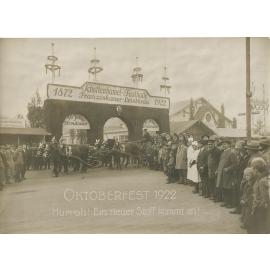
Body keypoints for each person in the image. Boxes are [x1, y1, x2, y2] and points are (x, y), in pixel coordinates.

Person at [247, 158, 269, 233]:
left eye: (252, 168)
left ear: (256, 169)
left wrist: (255, 209)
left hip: (260, 211)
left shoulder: (262, 181)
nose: (251, 170)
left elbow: (265, 200)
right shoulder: (260, 178)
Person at [216, 139, 237, 208]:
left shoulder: (231, 153)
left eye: (225, 144)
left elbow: (234, 164)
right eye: (223, 144)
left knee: (228, 188)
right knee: (224, 188)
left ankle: (230, 204)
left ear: (229, 145)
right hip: (222, 174)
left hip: (228, 175)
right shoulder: (223, 152)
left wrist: (228, 169)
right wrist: (217, 170)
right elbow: (220, 163)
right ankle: (226, 202)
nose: (224, 145)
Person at [230, 140, 249, 214]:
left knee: (241, 194)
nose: (236, 150)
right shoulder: (239, 156)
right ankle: (238, 208)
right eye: (236, 149)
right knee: (237, 193)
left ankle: (241, 210)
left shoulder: (246, 157)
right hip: (237, 177)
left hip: (242, 178)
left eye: (238, 149)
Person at [207, 136, 221, 201]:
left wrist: (217, 170)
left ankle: (217, 197)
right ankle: (212, 195)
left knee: (216, 184)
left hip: (215, 169)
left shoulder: (217, 151)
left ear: (214, 144)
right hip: (210, 169)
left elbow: (219, 161)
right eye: (209, 144)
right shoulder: (209, 150)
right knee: (211, 183)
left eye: (211, 144)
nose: (209, 145)